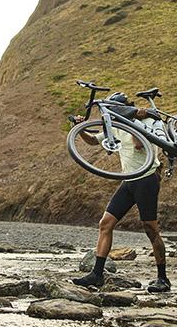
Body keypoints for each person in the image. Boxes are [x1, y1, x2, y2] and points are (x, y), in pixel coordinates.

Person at [71, 93, 171, 293]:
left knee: (150, 228)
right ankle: (97, 274)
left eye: (115, 112)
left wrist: (132, 122)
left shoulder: (145, 120)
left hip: (147, 178)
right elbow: (92, 140)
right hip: (129, 180)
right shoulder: (115, 126)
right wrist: (78, 128)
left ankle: (163, 278)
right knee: (105, 223)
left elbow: (139, 144)